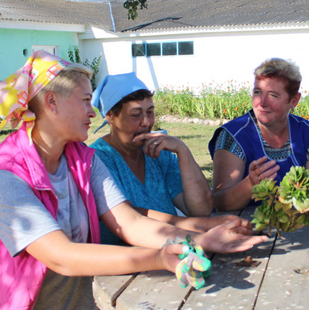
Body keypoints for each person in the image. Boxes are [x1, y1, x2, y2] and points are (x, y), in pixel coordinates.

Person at [0, 51, 267, 310]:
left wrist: (202, 241)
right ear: (51, 102)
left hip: (86, 308)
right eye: (86, 100)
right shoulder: (4, 175)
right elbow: (60, 255)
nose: (92, 112)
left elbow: (130, 223)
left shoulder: (83, 160)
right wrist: (160, 258)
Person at [90, 72, 240, 244]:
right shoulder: (98, 159)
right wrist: (204, 225)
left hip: (174, 250)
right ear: (110, 116)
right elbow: (128, 215)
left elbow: (201, 209)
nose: (146, 122)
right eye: (135, 115)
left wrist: (183, 151)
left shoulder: (158, 154)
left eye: (150, 112)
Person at [208, 57, 309, 211]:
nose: (262, 102)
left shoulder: (306, 132)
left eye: (273, 95)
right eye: (257, 92)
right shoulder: (234, 135)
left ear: (294, 100)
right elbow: (219, 202)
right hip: (244, 229)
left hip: (300, 228)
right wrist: (250, 184)